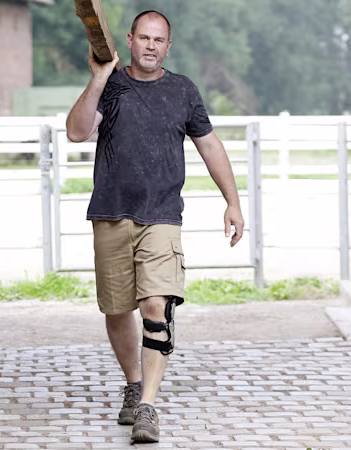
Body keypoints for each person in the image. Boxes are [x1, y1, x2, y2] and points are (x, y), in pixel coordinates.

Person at [65, 9, 245, 444]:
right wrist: (98, 77)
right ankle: (133, 383)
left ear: (168, 46)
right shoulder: (112, 86)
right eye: (143, 38)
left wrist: (233, 202)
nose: (150, 45)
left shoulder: (183, 90)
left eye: (158, 39)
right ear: (130, 40)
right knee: (116, 310)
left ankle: (147, 405)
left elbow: (210, 146)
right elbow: (76, 132)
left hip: (162, 216)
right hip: (111, 213)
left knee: (155, 307)